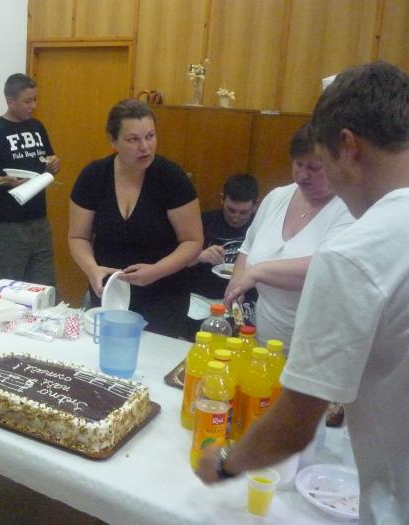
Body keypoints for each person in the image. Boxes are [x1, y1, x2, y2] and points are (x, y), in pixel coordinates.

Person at [197, 60, 409, 524]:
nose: (318, 179)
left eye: (324, 163)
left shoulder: (355, 252)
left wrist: (226, 461)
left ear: (348, 147)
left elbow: (294, 426)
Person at [69, 99, 203, 339]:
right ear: (113, 141)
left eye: (150, 136)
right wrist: (92, 269)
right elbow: (78, 236)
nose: (145, 147)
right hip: (110, 293)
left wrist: (156, 271)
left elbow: (193, 241)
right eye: (133, 139)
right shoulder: (93, 176)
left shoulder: (172, 178)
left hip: (164, 296)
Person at [224, 123, 354, 349]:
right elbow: (248, 247)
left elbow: (325, 267)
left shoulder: (351, 206)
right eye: (298, 164)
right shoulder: (277, 197)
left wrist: (256, 272)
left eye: (314, 167)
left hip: (316, 345)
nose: (302, 175)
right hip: (265, 337)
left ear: (336, 165)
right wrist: (237, 285)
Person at [0, 73, 60, 287]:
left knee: (43, 288)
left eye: (35, 100)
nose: (33, 106)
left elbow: (48, 160)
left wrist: (54, 164)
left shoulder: (37, 127)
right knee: (6, 289)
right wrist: (3, 180)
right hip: (6, 225)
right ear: (10, 101)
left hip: (39, 221)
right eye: (27, 101)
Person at [188, 173, 258, 299]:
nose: (236, 217)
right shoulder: (203, 221)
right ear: (222, 199)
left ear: (255, 206)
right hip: (202, 295)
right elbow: (176, 263)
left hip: (245, 296)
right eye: (231, 210)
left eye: (243, 212)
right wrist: (199, 256)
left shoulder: (261, 227)